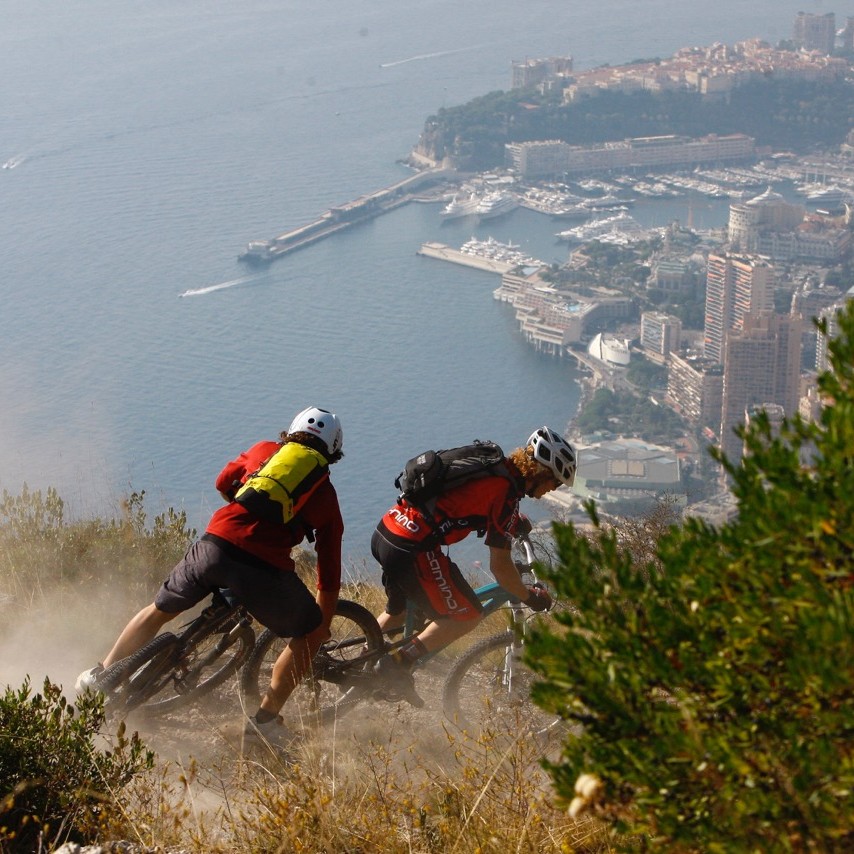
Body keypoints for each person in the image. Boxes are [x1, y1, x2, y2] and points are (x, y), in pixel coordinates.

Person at [76, 406, 345, 745]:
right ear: (333, 450)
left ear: (290, 432)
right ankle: (265, 721)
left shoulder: (264, 451)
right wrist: (321, 624)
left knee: (159, 610)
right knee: (308, 634)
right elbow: (329, 572)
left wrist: (239, 504)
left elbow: (223, 481)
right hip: (262, 569)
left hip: (214, 543)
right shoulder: (325, 495)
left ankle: (99, 674)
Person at [370, 426, 576, 705]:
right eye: (555, 483)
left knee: (399, 611)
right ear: (542, 473)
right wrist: (529, 596)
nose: (551, 491)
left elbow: (471, 501)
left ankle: (357, 668)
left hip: (388, 531)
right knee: (465, 615)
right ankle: (396, 663)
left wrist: (512, 522)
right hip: (412, 548)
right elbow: (501, 568)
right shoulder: (506, 494)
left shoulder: (494, 468)